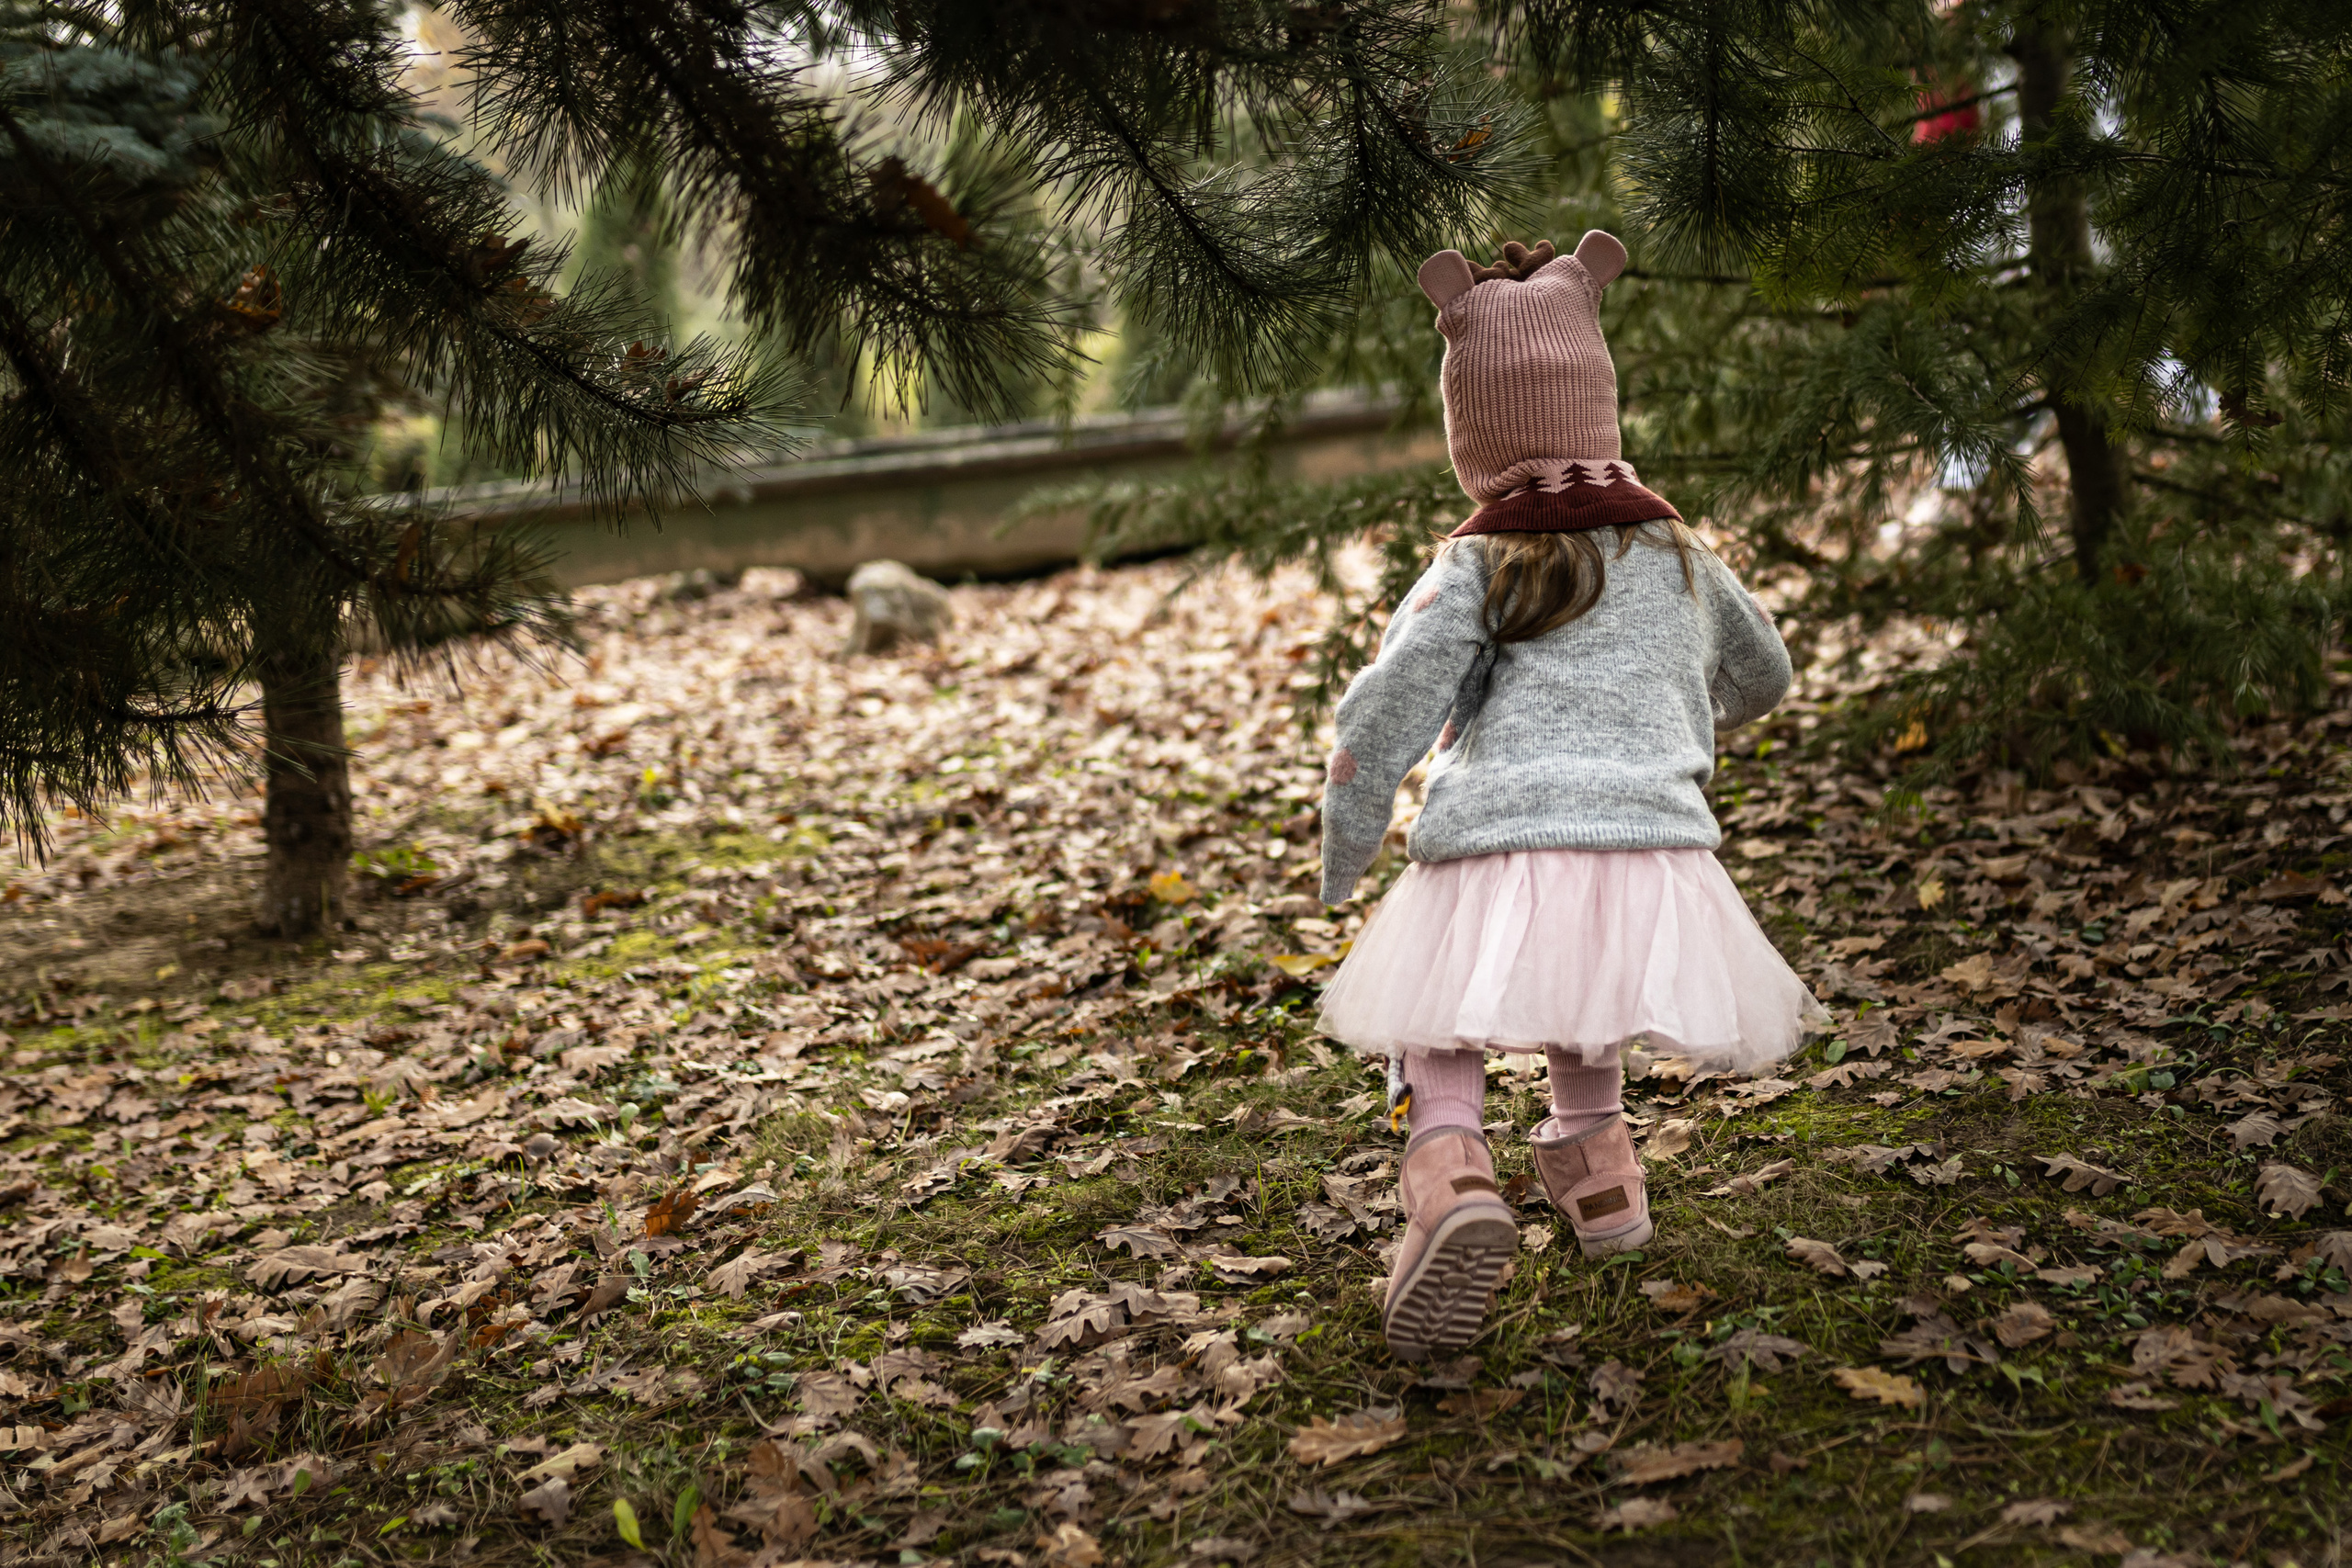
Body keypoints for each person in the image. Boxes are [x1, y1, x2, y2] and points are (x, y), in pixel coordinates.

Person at [1316, 231, 1819, 1361]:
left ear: (1470, 434)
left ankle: (1448, 1170)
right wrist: (1666, 732)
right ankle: (1601, 1184)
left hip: (1497, 829)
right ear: (1599, 403)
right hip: (1651, 840)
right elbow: (1765, 674)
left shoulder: (1471, 566)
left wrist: (1345, 845)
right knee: (1584, 981)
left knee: (1440, 1010)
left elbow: (1382, 715)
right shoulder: (1679, 551)